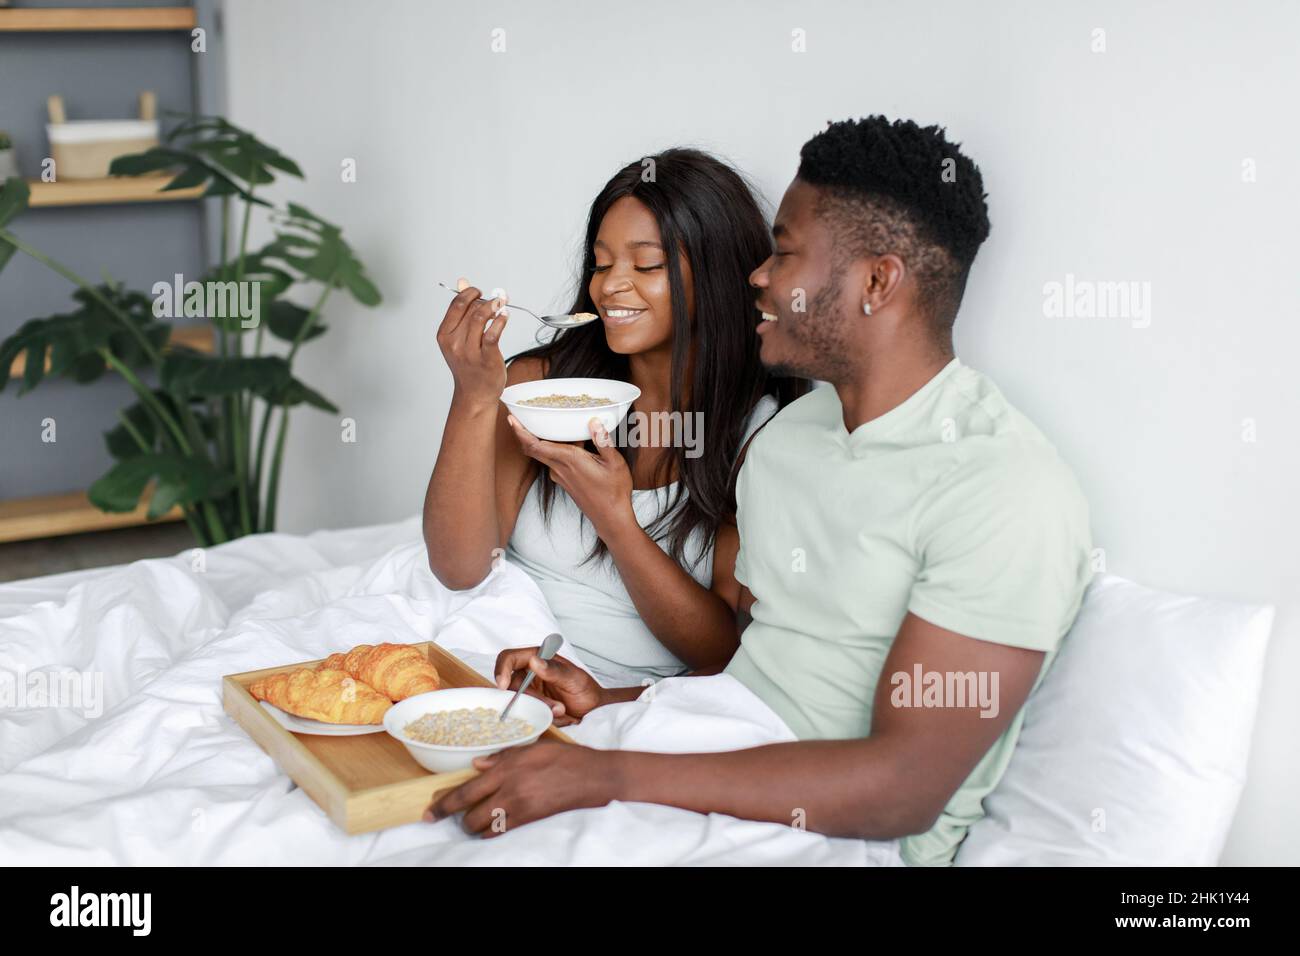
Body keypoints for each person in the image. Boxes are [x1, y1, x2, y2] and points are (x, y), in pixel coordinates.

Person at [428, 116, 1095, 866]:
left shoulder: (1003, 490)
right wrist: (608, 703)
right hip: (699, 748)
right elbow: (749, 671)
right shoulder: (794, 439)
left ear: (877, 281)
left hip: (830, 837)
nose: (756, 276)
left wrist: (604, 770)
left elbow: (901, 789)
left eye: (783, 253)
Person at [422, 148, 805, 687]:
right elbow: (458, 569)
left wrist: (615, 519)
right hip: (486, 656)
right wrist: (474, 398)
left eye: (646, 265)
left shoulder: (757, 434)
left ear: (718, 275)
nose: (609, 285)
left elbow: (722, 648)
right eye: (601, 264)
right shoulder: (540, 385)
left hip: (617, 695)